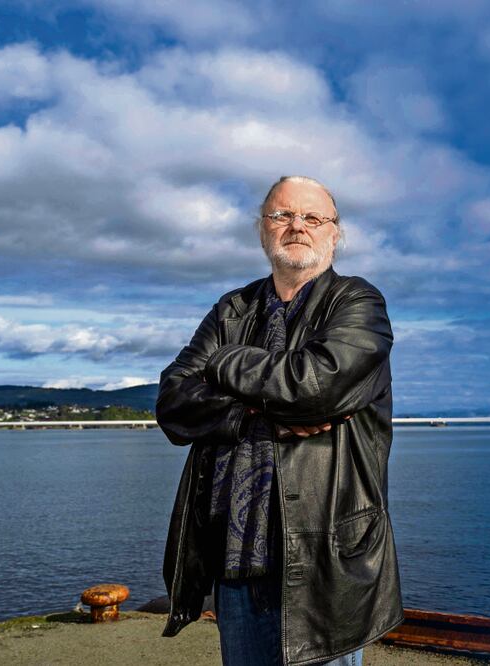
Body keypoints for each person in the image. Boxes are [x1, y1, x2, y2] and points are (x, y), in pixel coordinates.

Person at [155, 175, 403, 665]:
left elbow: (315, 386)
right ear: (263, 230)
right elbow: (173, 402)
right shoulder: (233, 308)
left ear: (335, 234)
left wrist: (223, 365)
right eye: (282, 215)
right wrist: (252, 415)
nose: (297, 226)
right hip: (235, 558)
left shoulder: (358, 304)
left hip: (322, 564)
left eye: (313, 217)